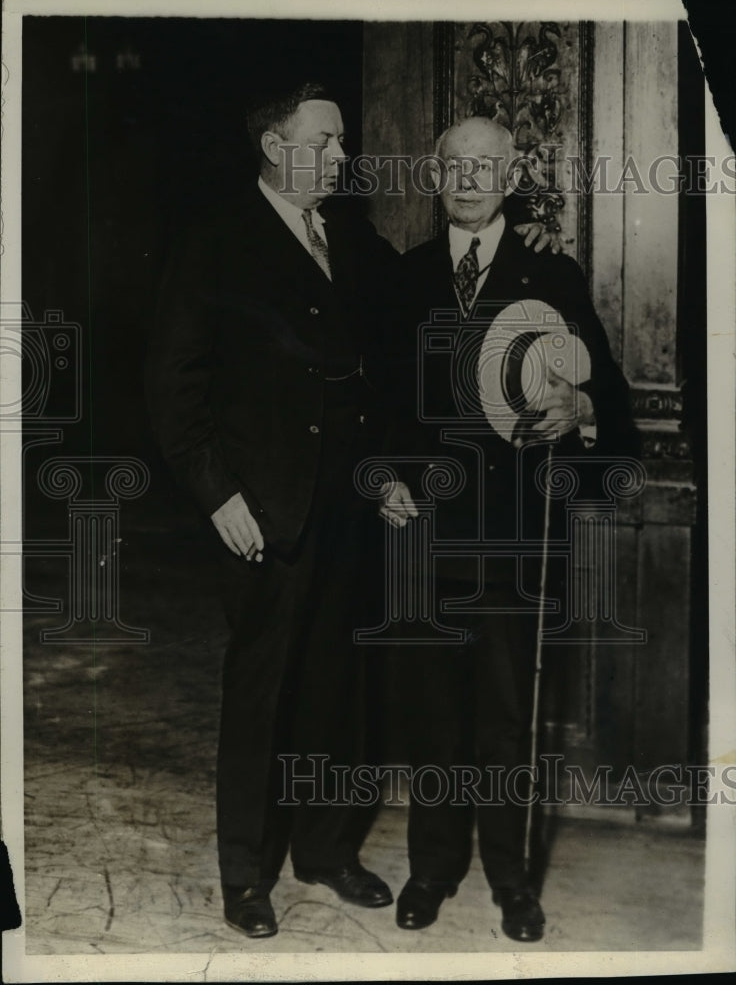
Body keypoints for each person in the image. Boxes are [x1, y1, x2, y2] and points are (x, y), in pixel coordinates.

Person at [146, 81, 404, 939]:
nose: (343, 156)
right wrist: (218, 493)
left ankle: (326, 850)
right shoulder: (214, 243)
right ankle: (246, 874)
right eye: (326, 142)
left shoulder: (353, 240)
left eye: (342, 143)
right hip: (263, 514)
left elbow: (378, 379)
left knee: (339, 688)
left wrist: (386, 474)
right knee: (263, 692)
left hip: (347, 510)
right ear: (274, 147)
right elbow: (174, 388)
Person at [381, 117, 635, 943]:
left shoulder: (550, 275)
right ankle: (431, 869)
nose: (469, 179)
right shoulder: (404, 276)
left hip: (515, 541)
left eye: (486, 165)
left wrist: (584, 406)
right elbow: (372, 406)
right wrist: (382, 477)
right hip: (423, 535)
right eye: (455, 164)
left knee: (502, 720)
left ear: (510, 172)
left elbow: (614, 401)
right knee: (433, 719)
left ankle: (512, 881)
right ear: (435, 172)